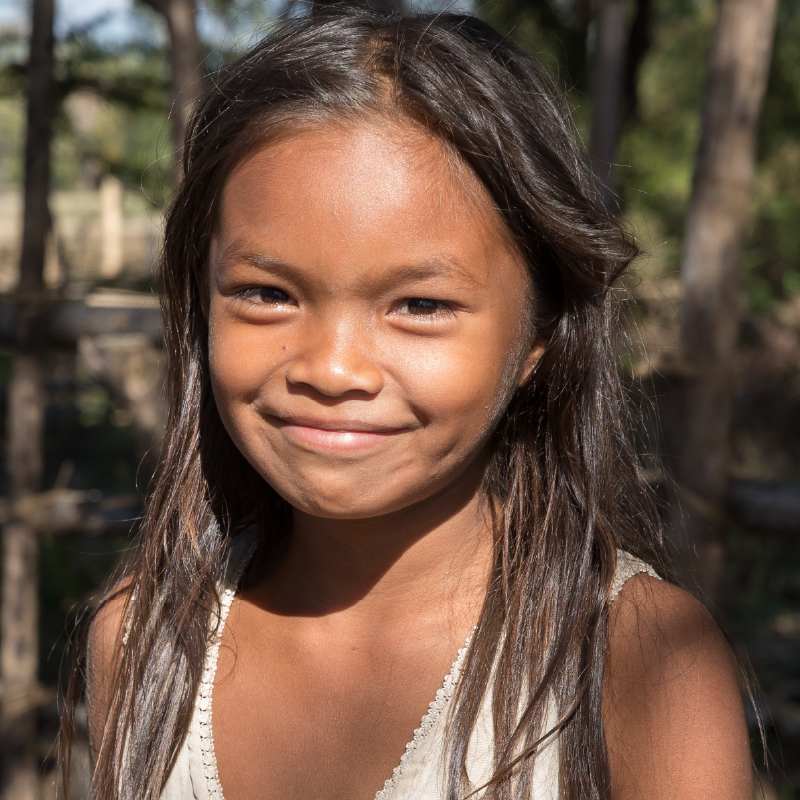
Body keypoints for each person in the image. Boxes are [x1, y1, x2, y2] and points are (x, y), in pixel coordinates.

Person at [63, 9, 754, 800]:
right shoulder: (146, 641)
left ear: (540, 334)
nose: (332, 369)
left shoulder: (636, 660)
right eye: (266, 294)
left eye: (420, 306)